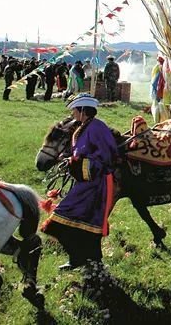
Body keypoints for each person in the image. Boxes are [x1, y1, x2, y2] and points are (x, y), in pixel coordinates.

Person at [41, 94, 117, 269]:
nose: (73, 114)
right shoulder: (85, 126)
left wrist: (76, 163)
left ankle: (81, 259)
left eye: (75, 110)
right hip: (85, 183)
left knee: (58, 221)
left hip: (95, 184)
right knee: (81, 221)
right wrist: (70, 159)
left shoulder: (97, 128)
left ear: (83, 110)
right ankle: (83, 260)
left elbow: (106, 157)